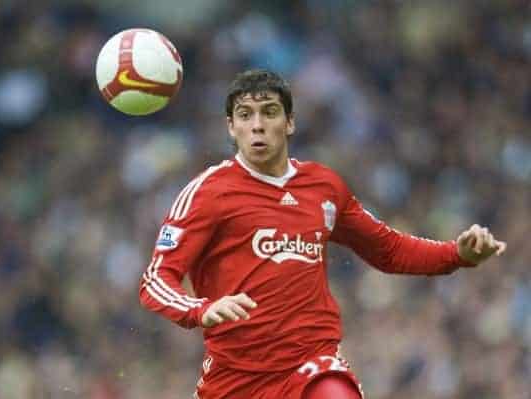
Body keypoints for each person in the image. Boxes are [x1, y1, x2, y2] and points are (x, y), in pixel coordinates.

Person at [138, 69, 506, 399]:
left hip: (312, 366)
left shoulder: (323, 187)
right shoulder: (208, 193)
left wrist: (457, 255)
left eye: (269, 112)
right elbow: (156, 279)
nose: (257, 125)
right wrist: (201, 309)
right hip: (236, 380)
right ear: (231, 128)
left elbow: (388, 249)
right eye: (245, 115)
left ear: (290, 122)